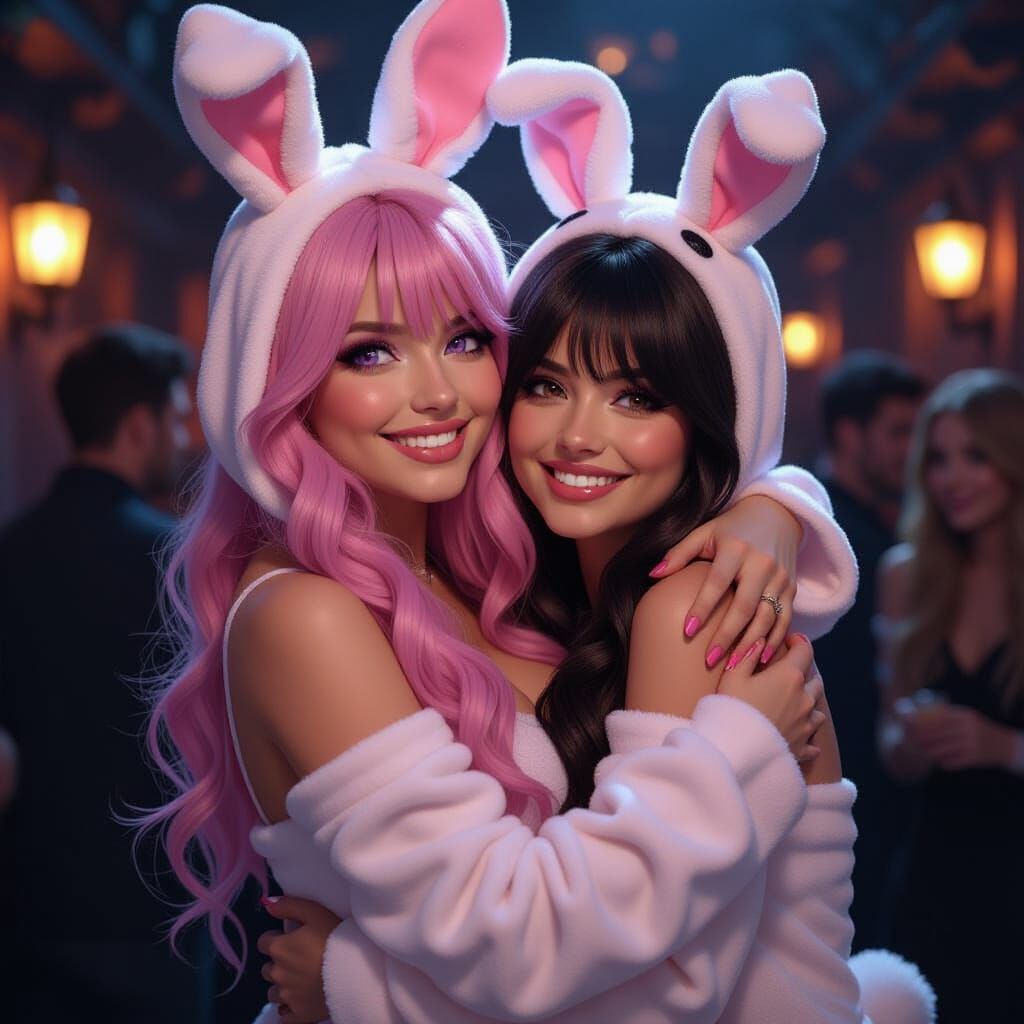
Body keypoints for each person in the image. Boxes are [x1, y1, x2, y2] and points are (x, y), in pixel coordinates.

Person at [253, 39, 931, 1024]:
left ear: (703, 415)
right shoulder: (553, 591)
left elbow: (668, 998)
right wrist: (777, 506)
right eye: (546, 382)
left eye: (634, 396)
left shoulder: (689, 602)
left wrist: (355, 987)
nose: (578, 434)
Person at [0, 323, 207, 1022]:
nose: (187, 438)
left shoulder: (10, 550)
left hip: (28, 906)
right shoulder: (175, 562)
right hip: (156, 911)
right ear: (140, 425)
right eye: (179, 418)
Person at [878, 368, 1024, 1023]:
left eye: (975, 457)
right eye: (937, 459)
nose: (951, 479)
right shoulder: (906, 576)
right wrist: (909, 742)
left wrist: (1006, 747)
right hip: (935, 864)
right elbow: (888, 749)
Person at [813, 350, 926, 949]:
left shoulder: (885, 531)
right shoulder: (818, 529)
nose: (914, 449)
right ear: (849, 434)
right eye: (899, 431)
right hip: (836, 795)